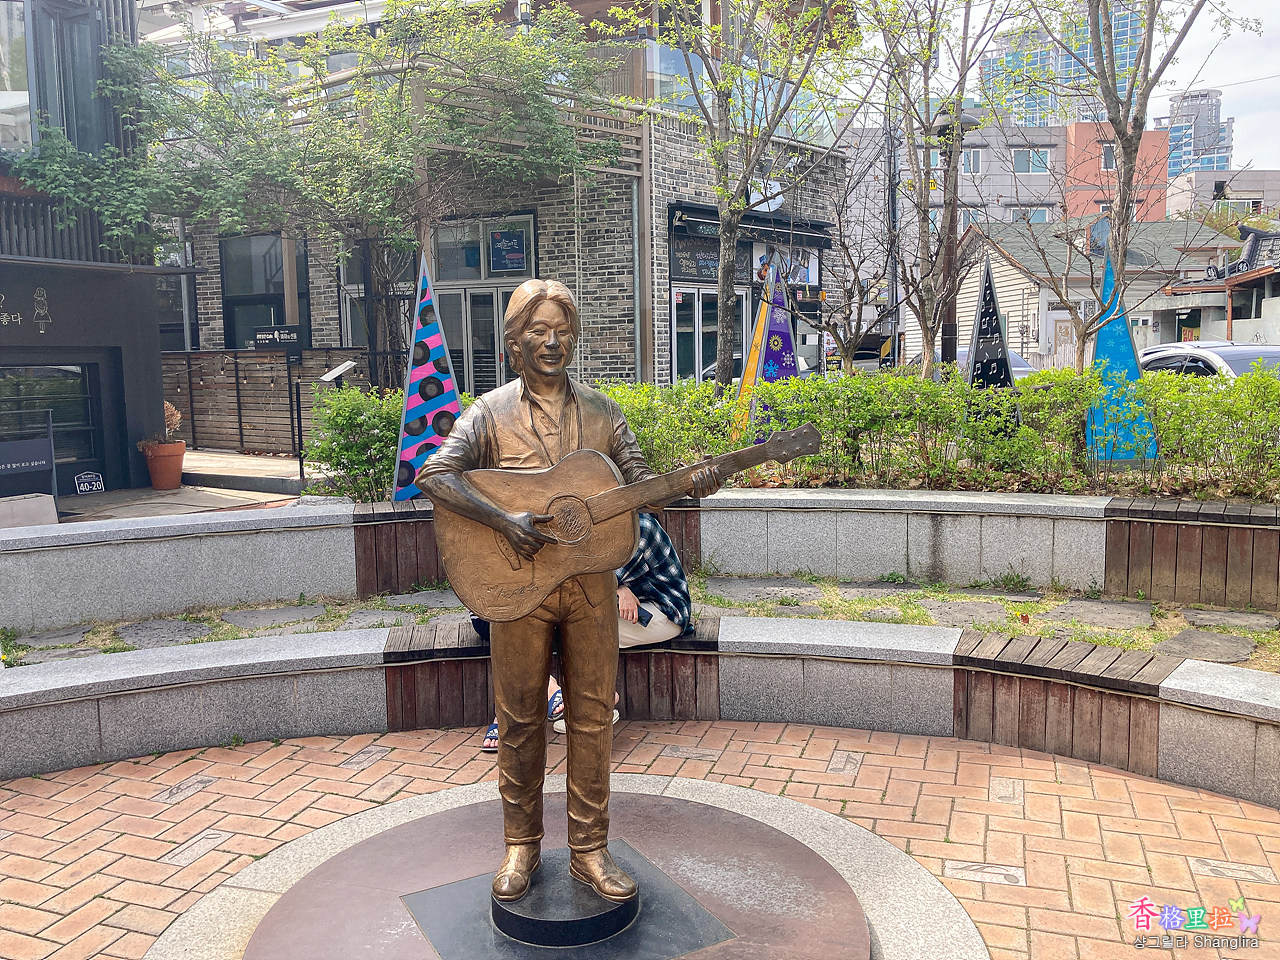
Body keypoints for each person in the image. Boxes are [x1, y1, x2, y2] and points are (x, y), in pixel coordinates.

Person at [415, 278, 717, 905]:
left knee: (592, 716)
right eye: (538, 331)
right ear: (514, 343)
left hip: (592, 586)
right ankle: (520, 844)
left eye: (562, 331)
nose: (552, 342)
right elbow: (435, 473)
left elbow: (642, 484)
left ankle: (590, 848)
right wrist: (503, 519)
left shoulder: (605, 414)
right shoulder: (488, 414)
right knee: (519, 717)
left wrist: (691, 482)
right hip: (518, 588)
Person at [477, 512, 692, 746]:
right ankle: (554, 696)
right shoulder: (597, 523)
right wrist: (620, 589)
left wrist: (618, 588)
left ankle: (599, 702)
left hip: (662, 613)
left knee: (575, 627)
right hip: (627, 606)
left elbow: (593, 584)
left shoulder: (639, 526)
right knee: (536, 624)